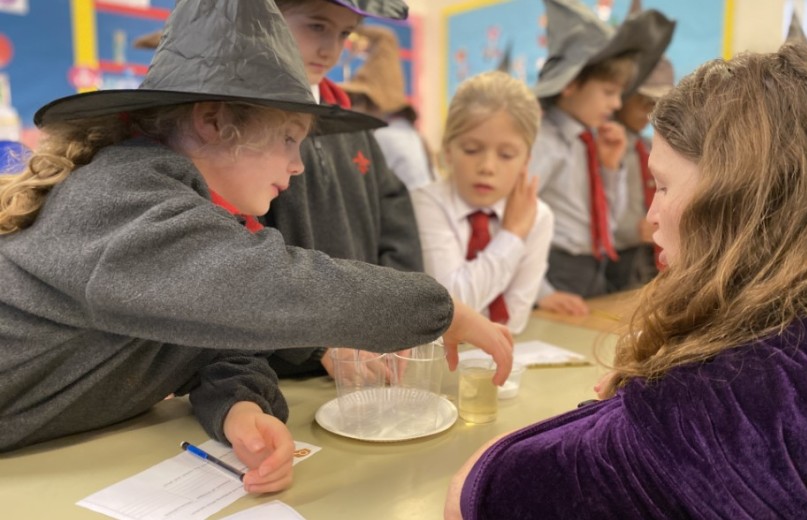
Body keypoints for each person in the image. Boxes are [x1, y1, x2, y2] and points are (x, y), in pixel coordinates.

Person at [0, 0, 515, 493]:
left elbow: (206, 339)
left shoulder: (184, 214)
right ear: (214, 121)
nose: (297, 164)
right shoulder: (118, 199)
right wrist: (443, 311)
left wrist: (239, 408)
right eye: (289, 138)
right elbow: (272, 287)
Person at [445, 42, 807, 519]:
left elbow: (480, 490)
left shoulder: (724, 403)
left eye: (665, 186)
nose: (651, 214)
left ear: (734, 199)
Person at [263, 0, 426, 378]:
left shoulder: (354, 125)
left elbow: (395, 218)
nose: (331, 49)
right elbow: (247, 259)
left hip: (368, 354)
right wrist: (314, 344)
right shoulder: (252, 125)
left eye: (344, 33)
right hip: (279, 367)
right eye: (316, 27)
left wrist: (398, 312)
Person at [530, 0, 673, 313]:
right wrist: (540, 291)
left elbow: (606, 219)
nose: (615, 103)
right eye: (608, 91)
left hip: (592, 269)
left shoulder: (595, 138)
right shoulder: (543, 141)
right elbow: (516, 220)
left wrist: (610, 168)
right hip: (553, 270)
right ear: (570, 84)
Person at [410, 71, 552, 335]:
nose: (487, 167)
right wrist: (512, 236)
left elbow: (514, 320)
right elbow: (449, 305)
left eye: (506, 155)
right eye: (472, 150)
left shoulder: (539, 216)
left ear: (527, 160)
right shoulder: (426, 202)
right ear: (448, 150)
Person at [606, 57, 674, 290]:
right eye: (643, 101)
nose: (649, 112)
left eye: (656, 104)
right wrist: (631, 229)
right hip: (614, 260)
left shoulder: (649, 146)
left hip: (651, 254)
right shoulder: (604, 144)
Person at [341, 24, 436, 191]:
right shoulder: (409, 133)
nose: (354, 108)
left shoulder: (386, 137)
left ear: (373, 103)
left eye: (358, 101)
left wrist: (353, 29)